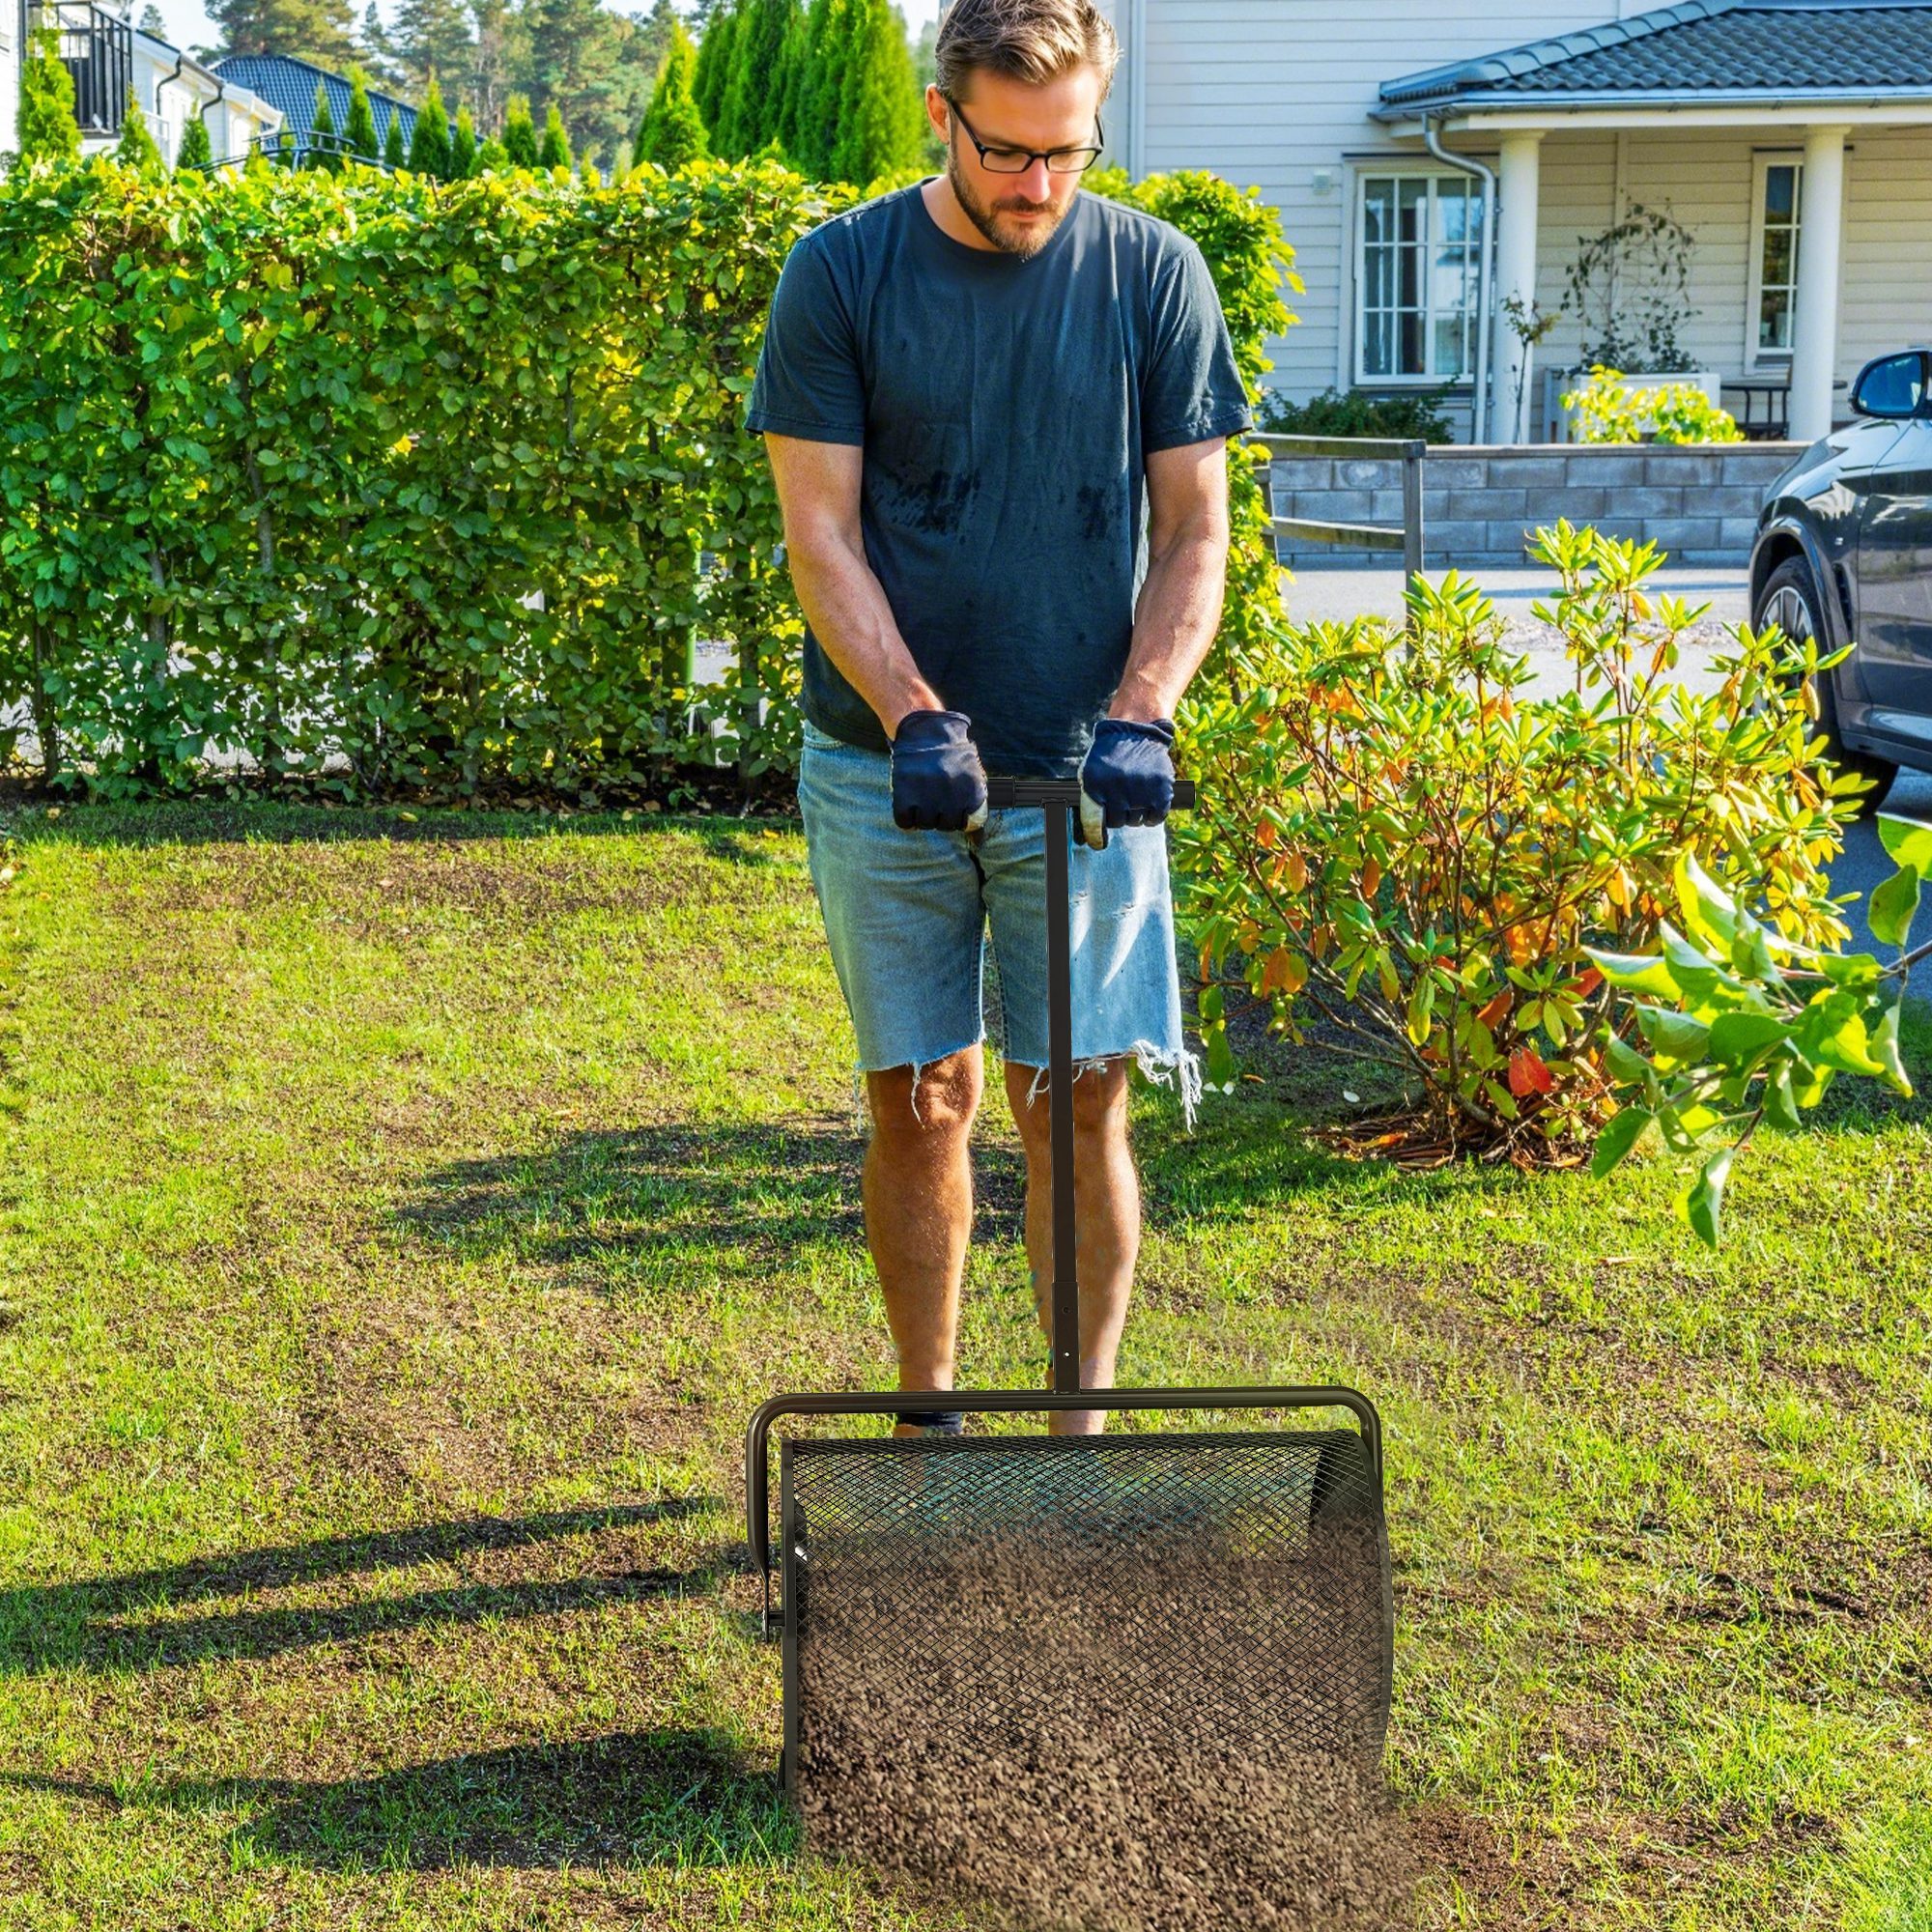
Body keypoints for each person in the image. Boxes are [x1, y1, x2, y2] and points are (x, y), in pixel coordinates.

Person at [746, 0, 1251, 1435]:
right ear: (943, 116)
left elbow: (1195, 529)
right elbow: (820, 532)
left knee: (1076, 1097)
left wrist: (1143, 712)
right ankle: (931, 1420)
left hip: (1088, 771)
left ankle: (1077, 1430)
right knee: (923, 1095)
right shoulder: (840, 273)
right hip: (882, 770)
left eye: (1067, 154)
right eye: (1008, 153)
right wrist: (911, 713)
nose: (1038, 186)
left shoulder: (1153, 273)